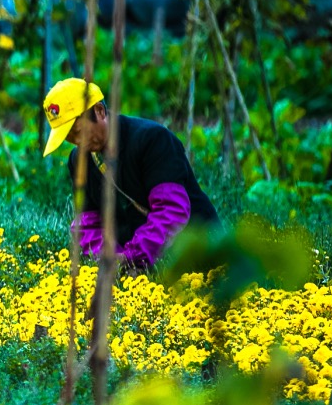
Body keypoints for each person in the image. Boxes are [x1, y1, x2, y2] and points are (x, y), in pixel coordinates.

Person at [43, 77, 219, 272]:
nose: (78, 142)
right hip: (139, 264)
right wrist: (110, 259)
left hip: (197, 252)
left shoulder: (152, 140)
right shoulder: (79, 160)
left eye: (79, 132)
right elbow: (88, 225)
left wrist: (131, 257)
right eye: (69, 138)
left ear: (99, 111)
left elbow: (171, 211)